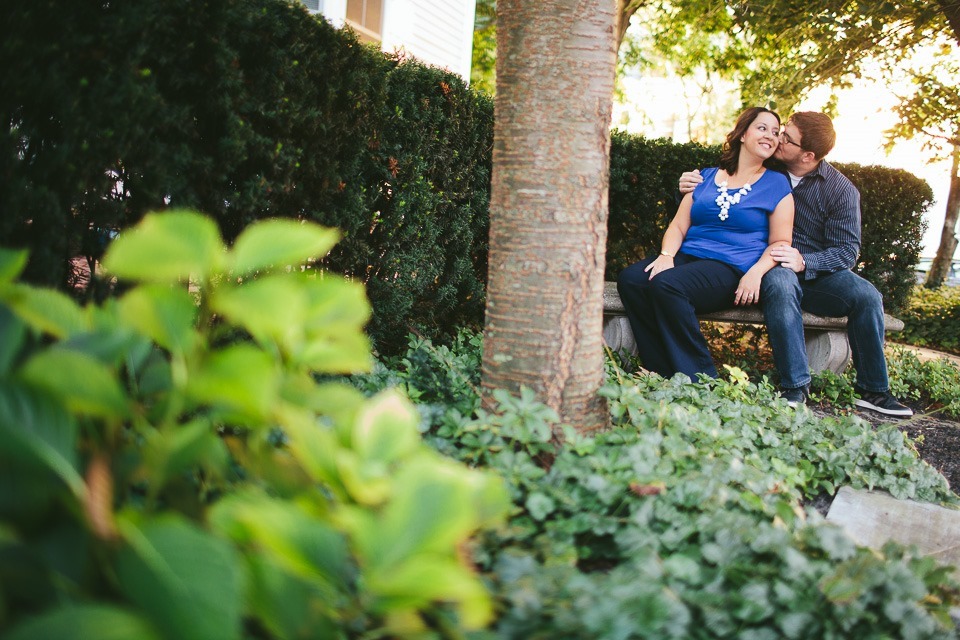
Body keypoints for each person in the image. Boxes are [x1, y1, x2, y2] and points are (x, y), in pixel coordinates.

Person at [679, 111, 913, 417]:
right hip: (765, 263)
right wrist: (688, 182)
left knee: (867, 296)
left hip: (814, 271)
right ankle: (795, 387)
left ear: (808, 155)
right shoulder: (763, 163)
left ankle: (874, 391)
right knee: (781, 282)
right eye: (781, 131)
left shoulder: (840, 191)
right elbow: (717, 189)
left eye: (786, 137)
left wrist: (805, 261)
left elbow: (846, 251)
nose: (777, 138)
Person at [617, 107, 794, 380]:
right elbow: (678, 225)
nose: (770, 136)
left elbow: (781, 241)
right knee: (633, 280)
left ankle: (700, 378)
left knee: (668, 285)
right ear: (743, 134)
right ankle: (659, 369)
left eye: (775, 132)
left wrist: (756, 273)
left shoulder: (776, 184)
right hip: (689, 257)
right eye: (762, 128)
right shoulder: (707, 177)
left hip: (732, 267)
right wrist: (666, 256)